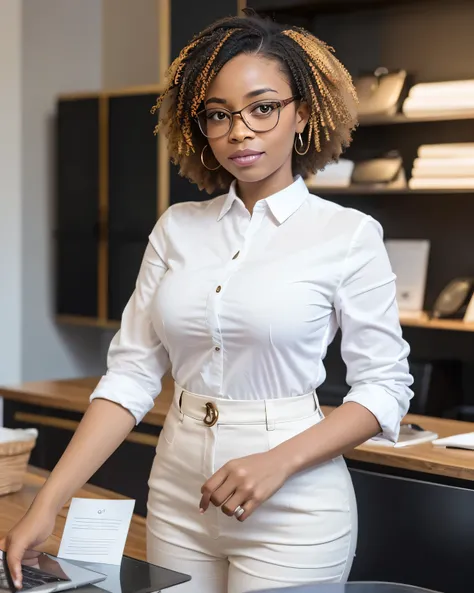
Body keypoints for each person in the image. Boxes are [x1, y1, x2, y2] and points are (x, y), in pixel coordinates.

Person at [2, 9, 414, 593]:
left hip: (294, 506)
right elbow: (130, 377)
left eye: (262, 107)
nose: (239, 130)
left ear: (302, 112)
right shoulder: (177, 228)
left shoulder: (347, 234)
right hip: (177, 494)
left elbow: (384, 387)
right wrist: (49, 501)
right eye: (219, 114)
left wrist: (277, 462)